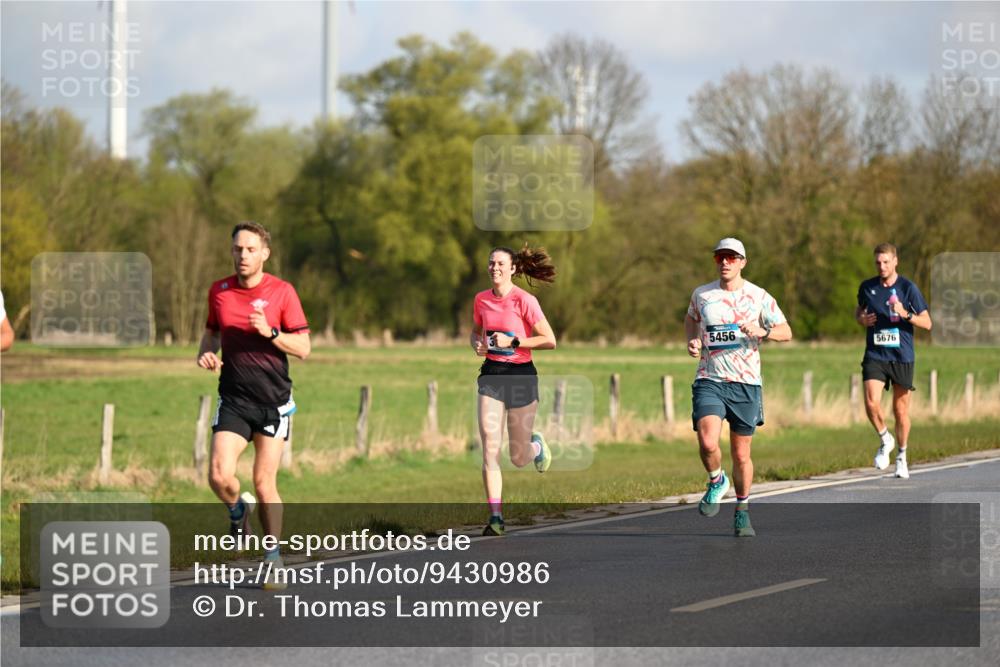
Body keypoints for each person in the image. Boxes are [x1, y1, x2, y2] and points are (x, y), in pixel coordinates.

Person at [197, 222, 310, 588]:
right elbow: (212, 332)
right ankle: (236, 511)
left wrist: (272, 333)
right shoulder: (220, 292)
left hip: (273, 402)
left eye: (250, 249)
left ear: (264, 253)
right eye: (237, 249)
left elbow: (305, 348)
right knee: (218, 475)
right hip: (234, 398)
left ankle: (274, 559)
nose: (242, 255)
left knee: (264, 483)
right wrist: (206, 354)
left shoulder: (282, 292)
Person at [685, 238, 792, 537]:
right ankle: (717, 479)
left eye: (732, 258)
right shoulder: (702, 294)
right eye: (720, 257)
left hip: (746, 383)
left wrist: (763, 330)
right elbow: (691, 319)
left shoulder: (758, 296)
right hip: (710, 379)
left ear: (743, 262)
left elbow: (786, 331)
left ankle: (742, 510)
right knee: (707, 442)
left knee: (741, 455)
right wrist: (692, 341)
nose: (725, 262)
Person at [471, 245, 557, 536]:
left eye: (500, 263)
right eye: (491, 263)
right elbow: (476, 330)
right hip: (491, 376)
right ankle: (496, 516)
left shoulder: (525, 300)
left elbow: (549, 340)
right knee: (490, 448)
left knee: (518, 457)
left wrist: (516, 343)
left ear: (513, 269)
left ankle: (536, 446)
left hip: (521, 377)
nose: (494, 267)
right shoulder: (481, 300)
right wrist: (477, 344)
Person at [855, 243, 931, 479]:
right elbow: (859, 311)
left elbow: (927, 323)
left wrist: (906, 313)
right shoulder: (867, 287)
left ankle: (901, 456)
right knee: (871, 403)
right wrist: (862, 320)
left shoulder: (908, 288)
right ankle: (884, 438)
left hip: (901, 356)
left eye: (886, 262)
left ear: (895, 261)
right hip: (876, 354)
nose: (882, 266)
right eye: (878, 262)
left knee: (900, 410)